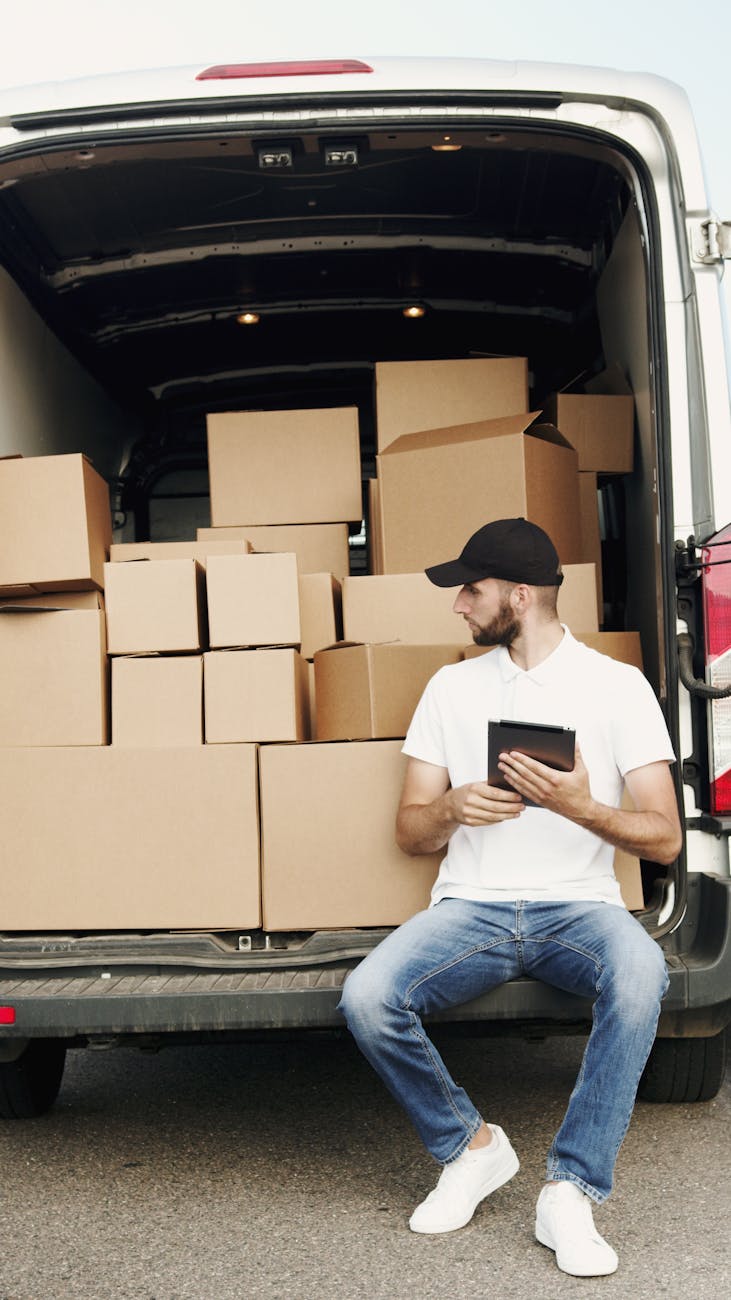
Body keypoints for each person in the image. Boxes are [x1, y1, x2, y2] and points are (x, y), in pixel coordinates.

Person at [339, 517, 681, 1278]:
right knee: (366, 996)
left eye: (472, 589)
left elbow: (663, 840)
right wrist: (452, 809)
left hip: (580, 908)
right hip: (472, 908)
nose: (459, 605)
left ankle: (569, 1191)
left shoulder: (616, 687)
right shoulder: (449, 688)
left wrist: (581, 807)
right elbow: (409, 831)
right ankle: (471, 1148)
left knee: (638, 975)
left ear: (519, 596)